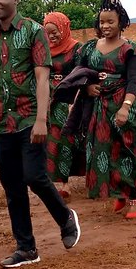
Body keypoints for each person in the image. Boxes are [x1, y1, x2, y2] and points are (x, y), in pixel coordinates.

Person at [0, 0, 80, 269]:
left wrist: (41, 119)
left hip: (29, 120)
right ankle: (26, 248)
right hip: (3, 124)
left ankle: (65, 218)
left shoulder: (33, 32)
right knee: (12, 187)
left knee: (35, 177)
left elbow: (42, 78)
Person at [73, 0, 136, 217]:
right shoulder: (90, 48)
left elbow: (134, 81)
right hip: (99, 107)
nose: (105, 26)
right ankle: (119, 194)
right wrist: (87, 88)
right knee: (104, 151)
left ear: (121, 22)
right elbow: (79, 74)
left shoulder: (130, 49)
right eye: (102, 22)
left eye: (110, 22)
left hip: (124, 105)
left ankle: (134, 197)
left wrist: (125, 107)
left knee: (126, 150)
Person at [42, 11, 80, 200]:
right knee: (54, 141)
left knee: (72, 142)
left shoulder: (76, 49)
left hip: (72, 101)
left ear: (64, 28)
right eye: (48, 33)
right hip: (53, 103)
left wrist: (76, 100)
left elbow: (82, 74)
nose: (52, 36)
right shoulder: (45, 51)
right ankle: (63, 184)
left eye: (55, 31)